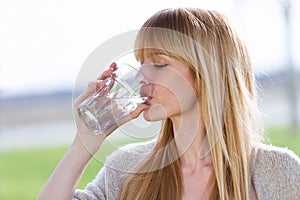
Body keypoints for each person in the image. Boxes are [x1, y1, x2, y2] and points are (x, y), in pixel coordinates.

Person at [38, 8, 300, 200]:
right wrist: (85, 141)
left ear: (207, 74)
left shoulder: (278, 172)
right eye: (141, 64)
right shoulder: (128, 169)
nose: (140, 76)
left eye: (159, 64)